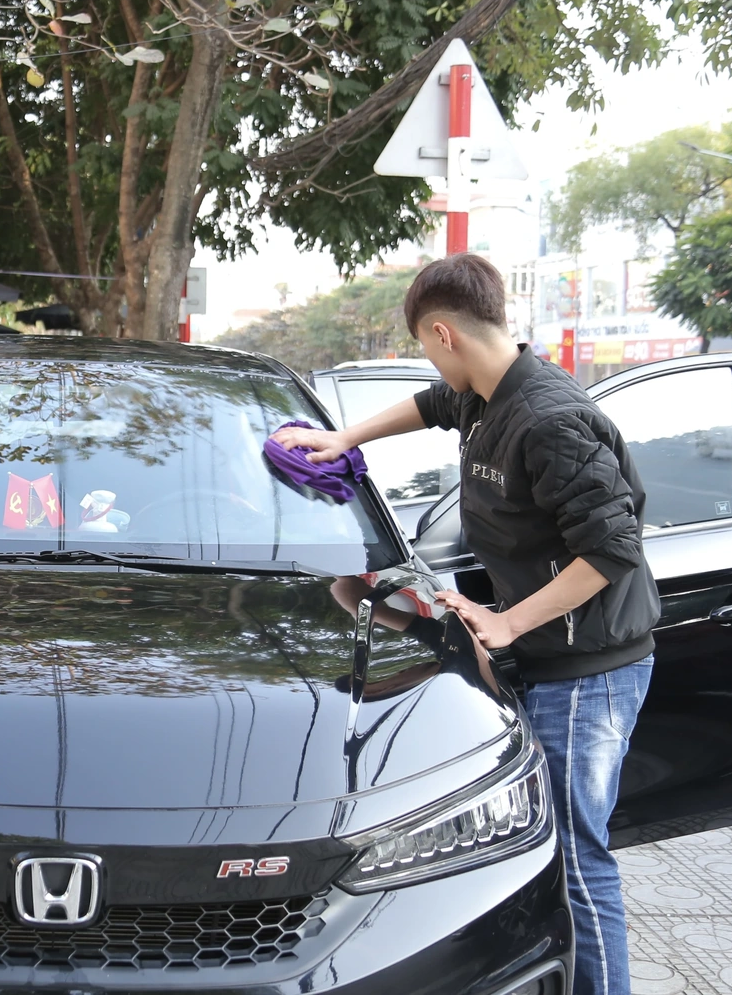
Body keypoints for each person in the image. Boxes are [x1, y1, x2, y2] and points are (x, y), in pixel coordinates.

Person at [272, 253, 658, 995]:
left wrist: (510, 622)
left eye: (424, 344)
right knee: (553, 849)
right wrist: (343, 441)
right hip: (551, 658)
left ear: (443, 332)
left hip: (592, 670)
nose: (427, 362)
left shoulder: (549, 420)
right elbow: (428, 405)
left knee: (578, 856)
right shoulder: (484, 391)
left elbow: (613, 550)